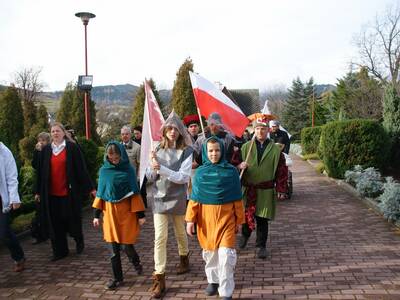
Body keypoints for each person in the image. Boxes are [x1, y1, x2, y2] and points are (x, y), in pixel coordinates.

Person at [186, 137, 244, 300]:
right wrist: (190, 220)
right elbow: (194, 199)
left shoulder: (231, 172)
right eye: (210, 150)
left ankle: (226, 291)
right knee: (210, 254)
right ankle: (213, 280)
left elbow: (237, 199)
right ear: (205, 152)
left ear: (223, 151)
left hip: (227, 220)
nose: (214, 153)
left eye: (217, 150)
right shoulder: (200, 173)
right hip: (206, 221)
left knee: (226, 256)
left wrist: (239, 220)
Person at [146, 111, 193, 298]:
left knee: (180, 232)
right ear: (164, 130)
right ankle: (159, 277)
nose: (173, 131)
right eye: (170, 128)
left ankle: (184, 258)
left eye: (176, 128)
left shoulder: (187, 151)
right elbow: (150, 177)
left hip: (178, 197)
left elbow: (183, 178)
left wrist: (162, 168)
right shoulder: (156, 150)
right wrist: (152, 167)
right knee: (160, 237)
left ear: (181, 131)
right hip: (159, 198)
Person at [35, 122, 96, 261]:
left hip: (69, 193)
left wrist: (91, 188)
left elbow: (81, 170)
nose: (55, 133)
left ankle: (78, 240)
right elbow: (40, 172)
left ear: (63, 133)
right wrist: (38, 191)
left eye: (58, 131)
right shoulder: (46, 151)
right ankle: (60, 251)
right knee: (55, 223)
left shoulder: (72, 148)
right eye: (53, 131)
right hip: (51, 194)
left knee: (71, 220)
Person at [93, 142, 146, 290]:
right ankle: (117, 278)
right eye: (111, 157)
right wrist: (96, 215)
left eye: (117, 157)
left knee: (126, 246)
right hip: (109, 214)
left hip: (126, 213)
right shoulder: (104, 171)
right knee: (113, 249)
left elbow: (135, 193)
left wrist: (140, 215)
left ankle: (135, 261)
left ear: (122, 155)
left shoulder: (128, 170)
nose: (114, 160)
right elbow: (101, 194)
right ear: (107, 156)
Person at [237, 116, 288, 259]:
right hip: (249, 189)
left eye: (263, 129)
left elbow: (281, 170)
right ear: (254, 130)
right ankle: (245, 236)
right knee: (247, 215)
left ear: (268, 130)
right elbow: (235, 164)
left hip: (265, 190)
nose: (260, 131)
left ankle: (261, 246)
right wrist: (239, 166)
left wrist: (281, 189)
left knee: (262, 218)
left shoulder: (276, 149)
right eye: (258, 128)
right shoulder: (245, 147)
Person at [0, 141, 26, 272]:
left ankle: (19, 257)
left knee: (4, 233)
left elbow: (11, 177)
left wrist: (14, 197)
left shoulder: (4, 152)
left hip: (1, 199)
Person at [31, 132, 51, 244]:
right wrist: (36, 152)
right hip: (40, 185)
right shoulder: (38, 152)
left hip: (48, 185)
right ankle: (40, 234)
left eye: (43, 140)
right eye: (39, 140)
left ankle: (48, 233)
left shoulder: (50, 151)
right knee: (39, 211)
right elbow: (35, 165)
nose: (41, 143)